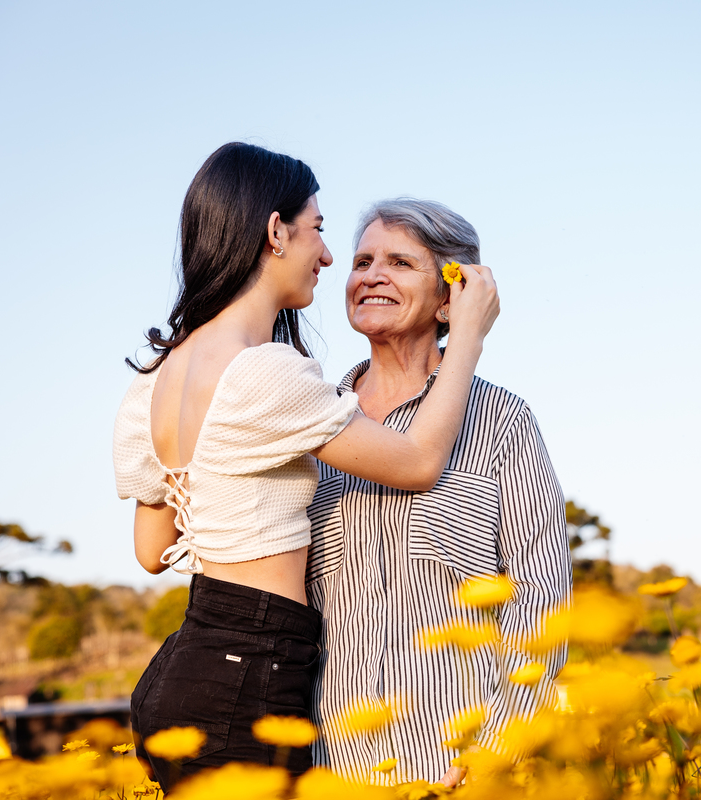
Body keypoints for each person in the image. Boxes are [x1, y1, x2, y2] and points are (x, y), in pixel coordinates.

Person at [112, 145, 499, 790]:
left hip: (187, 666)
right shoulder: (265, 371)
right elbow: (418, 460)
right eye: (318, 230)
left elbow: (152, 550)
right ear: (275, 232)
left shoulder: (152, 381)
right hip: (253, 666)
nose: (325, 255)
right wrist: (468, 341)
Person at [305, 198, 570, 785]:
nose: (371, 275)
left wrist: (493, 757)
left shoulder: (501, 420)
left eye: (400, 262)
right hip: (334, 776)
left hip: (457, 769)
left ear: (452, 298)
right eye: (362, 260)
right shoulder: (311, 422)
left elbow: (541, 605)